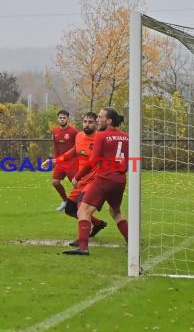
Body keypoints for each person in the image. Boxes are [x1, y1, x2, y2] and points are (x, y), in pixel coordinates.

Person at [63, 107, 129, 256]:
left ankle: (83, 247)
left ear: (109, 120)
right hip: (120, 180)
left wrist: (77, 176)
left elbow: (93, 161)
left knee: (83, 211)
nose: (98, 120)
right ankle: (131, 242)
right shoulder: (126, 136)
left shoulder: (101, 135)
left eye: (100, 117)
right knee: (116, 211)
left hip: (104, 179)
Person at [42, 112, 107, 242]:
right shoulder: (79, 136)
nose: (87, 124)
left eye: (90, 122)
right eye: (85, 121)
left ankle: (81, 240)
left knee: (81, 209)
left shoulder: (100, 138)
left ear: (96, 123)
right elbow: (72, 153)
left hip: (94, 181)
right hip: (82, 180)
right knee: (70, 209)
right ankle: (98, 224)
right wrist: (54, 161)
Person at [50, 109, 78, 211]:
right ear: (58, 119)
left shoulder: (74, 131)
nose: (62, 119)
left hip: (72, 162)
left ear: (68, 119)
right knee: (55, 182)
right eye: (60, 118)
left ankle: (79, 203)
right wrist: (55, 160)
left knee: (77, 184)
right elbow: (56, 147)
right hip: (61, 162)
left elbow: (78, 146)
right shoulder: (55, 131)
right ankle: (65, 201)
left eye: (64, 118)